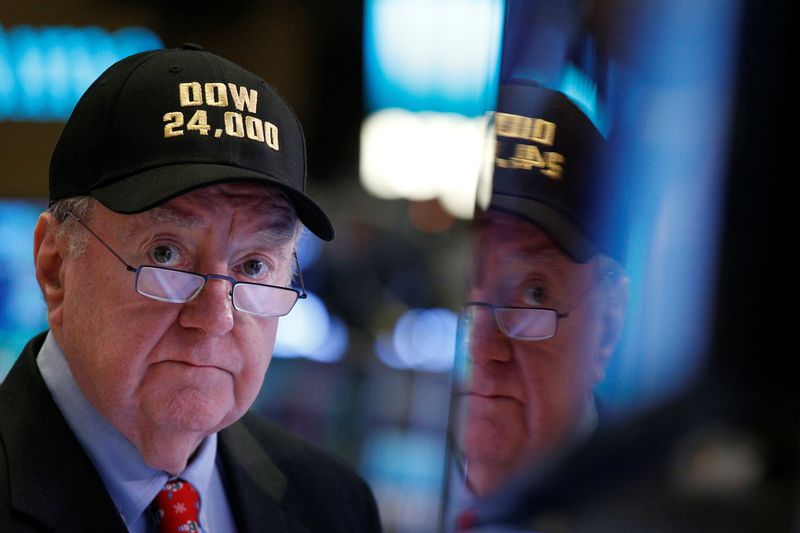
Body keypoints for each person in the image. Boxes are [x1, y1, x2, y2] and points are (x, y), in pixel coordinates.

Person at [0, 44, 382, 532]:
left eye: (254, 264)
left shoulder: (335, 506)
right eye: (166, 253)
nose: (215, 317)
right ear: (55, 267)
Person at [448, 81, 629, 505]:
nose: (480, 346)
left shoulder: (654, 511)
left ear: (606, 327)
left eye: (532, 294)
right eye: (459, 288)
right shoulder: (345, 504)